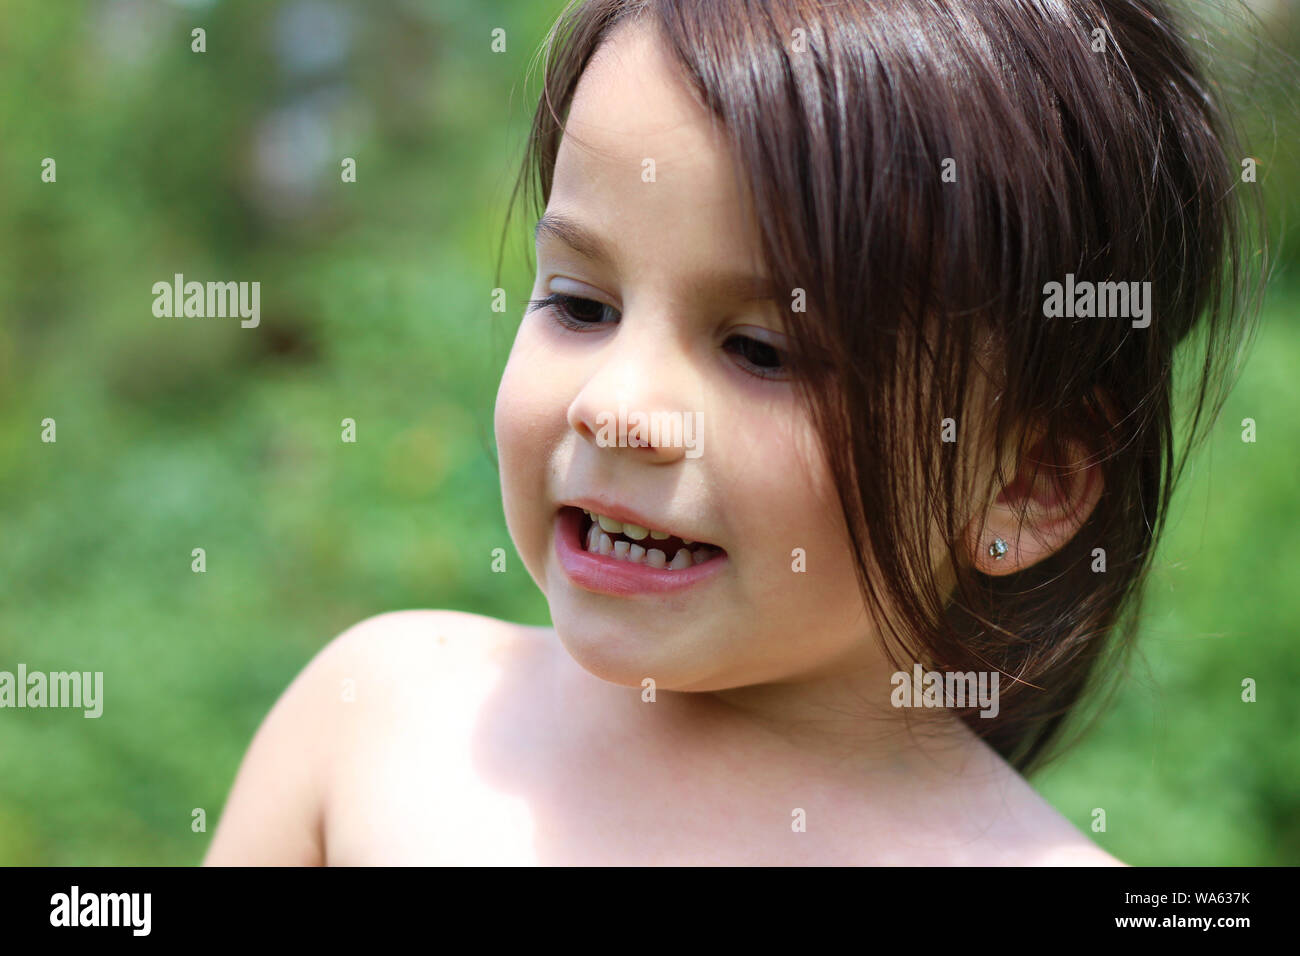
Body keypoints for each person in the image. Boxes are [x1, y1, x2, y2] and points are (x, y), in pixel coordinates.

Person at [204, 0, 1265, 865]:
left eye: (759, 351)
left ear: (1026, 481)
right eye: (580, 303)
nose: (614, 406)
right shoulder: (383, 716)